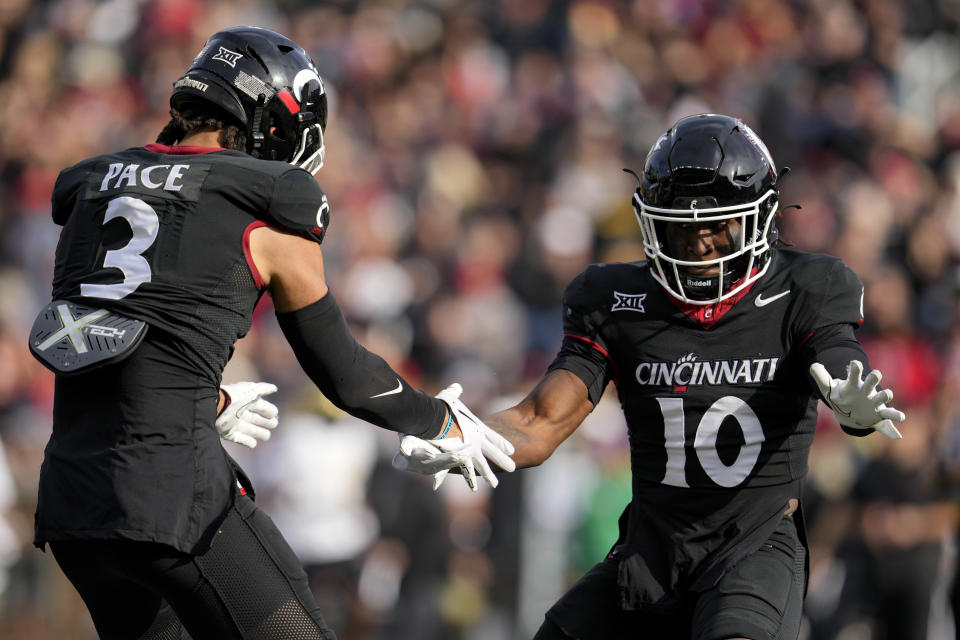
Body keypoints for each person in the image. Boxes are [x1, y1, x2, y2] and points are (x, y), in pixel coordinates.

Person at [28, 26, 513, 640]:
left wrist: (209, 401)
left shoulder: (90, 186)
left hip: (73, 496)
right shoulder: (268, 201)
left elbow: (107, 338)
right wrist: (436, 420)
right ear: (272, 121)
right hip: (172, 492)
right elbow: (342, 373)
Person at [396, 113, 906, 640]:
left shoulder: (806, 285)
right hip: (651, 550)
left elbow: (841, 360)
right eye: (680, 230)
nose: (700, 245)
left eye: (716, 225)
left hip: (753, 549)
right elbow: (542, 419)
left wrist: (851, 400)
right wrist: (470, 432)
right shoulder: (615, 299)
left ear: (761, 219)